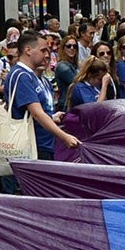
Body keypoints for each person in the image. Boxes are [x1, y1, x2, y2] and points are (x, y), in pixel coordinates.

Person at [5, 31, 80, 160]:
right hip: (32, 146)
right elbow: (37, 113)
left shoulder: (33, 76)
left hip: (43, 144)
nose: (47, 55)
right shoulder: (21, 75)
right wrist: (64, 137)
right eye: (43, 50)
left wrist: (51, 117)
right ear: (28, 50)